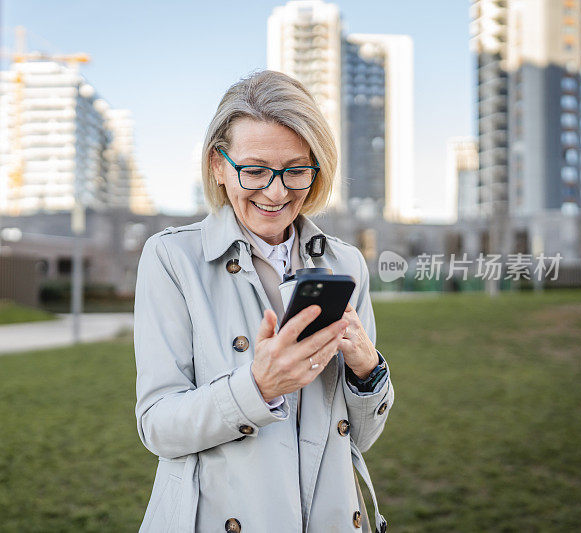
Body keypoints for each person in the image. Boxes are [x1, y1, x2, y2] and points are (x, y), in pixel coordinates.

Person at [133, 70, 394, 533]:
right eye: (254, 170)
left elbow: (360, 439)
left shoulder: (347, 264)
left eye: (295, 170)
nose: (276, 193)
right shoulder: (172, 258)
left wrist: (367, 370)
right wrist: (257, 387)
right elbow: (158, 426)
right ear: (219, 165)